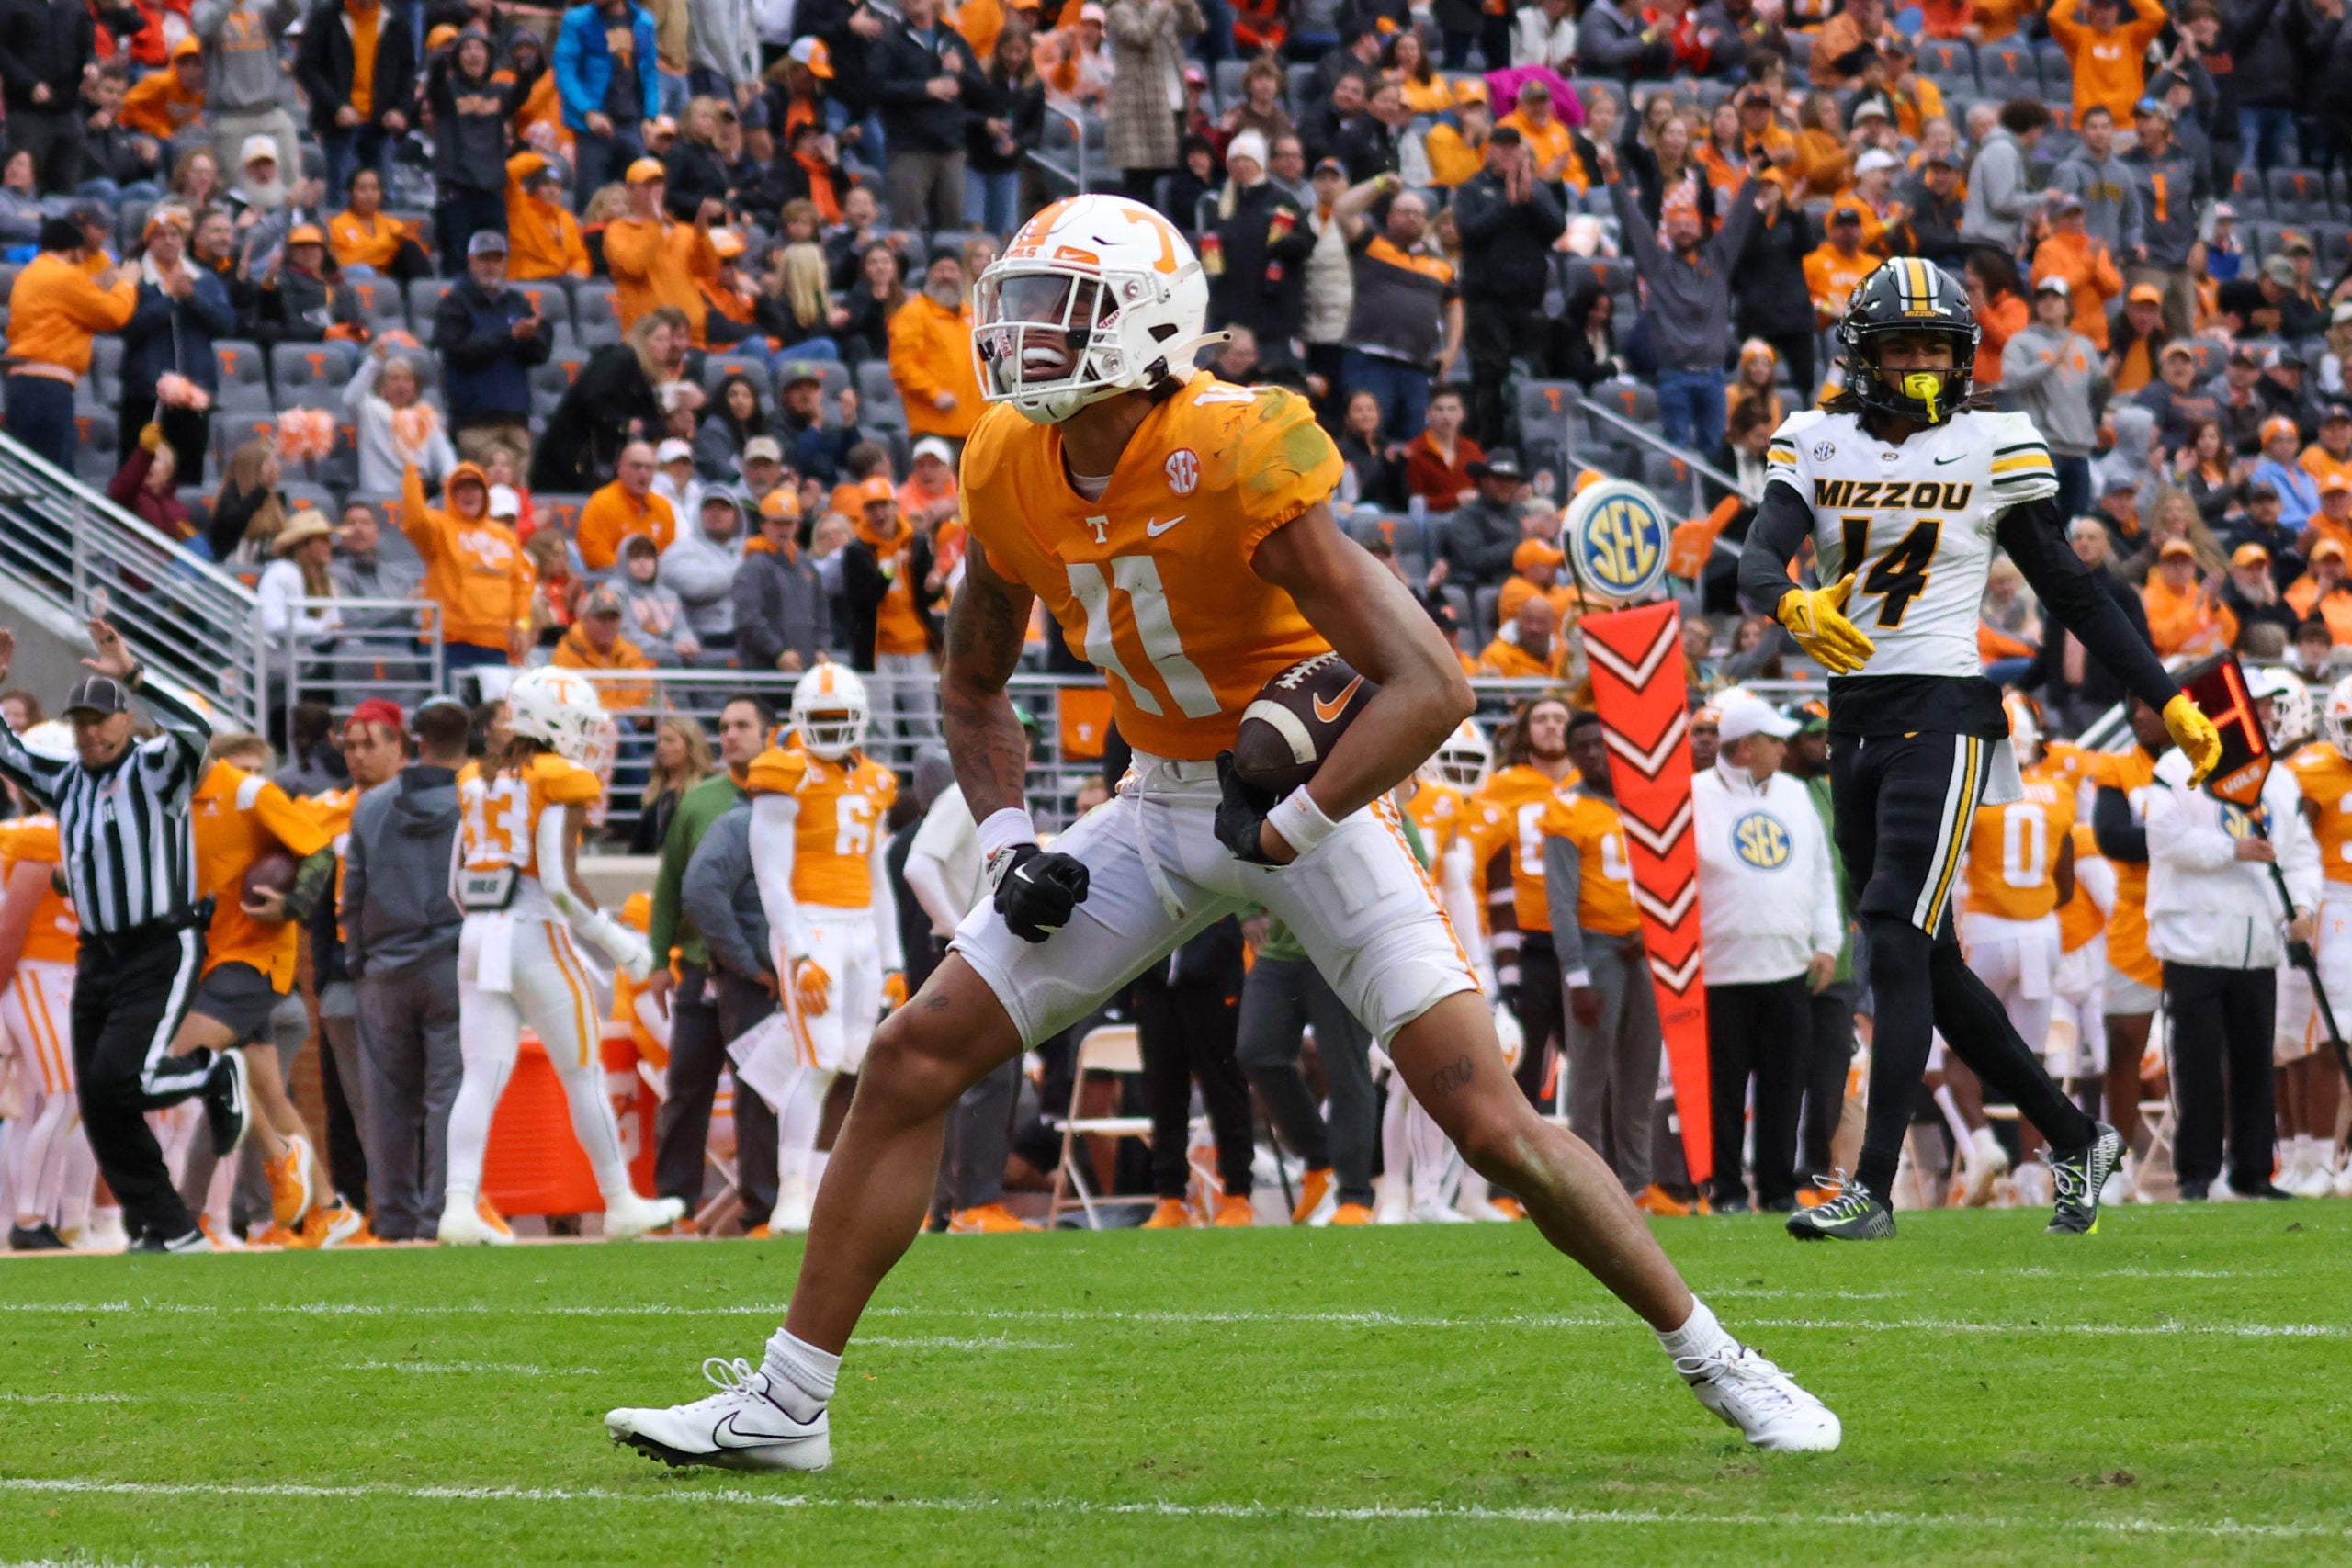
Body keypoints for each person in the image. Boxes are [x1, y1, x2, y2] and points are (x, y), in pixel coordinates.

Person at [607, 193, 1839, 1472]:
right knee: (913, 1054)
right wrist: (1014, 835)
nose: (1024, 334)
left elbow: (1431, 682)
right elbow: (973, 683)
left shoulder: (1238, 444)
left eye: (1060, 309)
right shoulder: (1005, 459)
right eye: (1018, 305)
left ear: (1143, 324)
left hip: (1311, 807)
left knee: (1490, 1119)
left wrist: (1295, 818)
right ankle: (788, 1403)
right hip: (1152, 802)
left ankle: (1720, 1355)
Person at [1740, 256, 2223, 1241]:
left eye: (1933, 346)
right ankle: (2076, 1137)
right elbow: (1759, 549)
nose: (1918, 364)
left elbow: (2071, 590)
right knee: (1928, 957)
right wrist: (1787, 598)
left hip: (1949, 709)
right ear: (1861, 355)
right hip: (1854, 718)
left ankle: (1871, 1189)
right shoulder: (1815, 435)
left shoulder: (1994, 441)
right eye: (1900, 346)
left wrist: (2161, 692)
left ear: (1961, 355)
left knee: (1888, 925)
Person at [0, 619, 250, 1253]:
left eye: (101, 720)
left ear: (124, 721)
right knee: (98, 1098)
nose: (90, 731)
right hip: (99, 952)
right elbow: (8, 753)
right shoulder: (67, 780)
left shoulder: (155, 768)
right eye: (80, 721)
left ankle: (212, 1072)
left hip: (160, 944)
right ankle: (170, 1226)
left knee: (118, 1078)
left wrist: (135, 675)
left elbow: (196, 731)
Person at [438, 668, 680, 1244]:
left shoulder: (475, 777)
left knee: (480, 1078)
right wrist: (622, 944)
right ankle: (620, 1203)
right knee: (584, 1074)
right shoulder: (557, 776)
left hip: (477, 936)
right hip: (536, 935)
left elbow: (455, 882)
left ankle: (457, 1206)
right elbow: (561, 884)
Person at [741, 664, 903, 1232]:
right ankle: (791, 1196)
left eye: (841, 719)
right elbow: (771, 880)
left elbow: (878, 877)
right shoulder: (785, 774)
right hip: (811, 928)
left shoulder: (876, 780)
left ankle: (826, 1190)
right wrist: (799, 953)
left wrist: (893, 961)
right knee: (817, 1062)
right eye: (821, 720)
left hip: (861, 930)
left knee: (856, 1061)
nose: (831, 730)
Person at [2147, 685, 2315, 1201]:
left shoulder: (2280, 780)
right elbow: (2164, 837)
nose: (2266, 716)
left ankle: (2254, 1170)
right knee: (2196, 1062)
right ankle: (2197, 1173)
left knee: (2254, 1063)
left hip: (2257, 939)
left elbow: (2301, 852)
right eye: (2258, 705)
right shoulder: (2177, 768)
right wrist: (2232, 849)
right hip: (2193, 939)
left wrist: (2304, 906)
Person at [1688, 690, 1837, 1213]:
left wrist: (1828, 943)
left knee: (1784, 1085)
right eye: (1775, 740)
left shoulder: (1795, 794)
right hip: (1718, 968)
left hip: (1788, 964)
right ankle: (1726, 1189)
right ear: (1746, 747)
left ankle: (1777, 1188)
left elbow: (1820, 871)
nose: (1785, 747)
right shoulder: (1694, 794)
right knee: (1724, 1090)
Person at [340, 696, 467, 1241]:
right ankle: (439, 1215)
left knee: (387, 1103)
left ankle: (392, 1220)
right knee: (449, 1097)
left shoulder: (371, 807)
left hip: (386, 968)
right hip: (454, 964)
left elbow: (353, 894)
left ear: (415, 739)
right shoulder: (473, 801)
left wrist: (359, 963)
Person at [1536, 709, 1657, 1199]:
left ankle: (1637, 1183)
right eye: (1581, 746)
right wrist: (1576, 975)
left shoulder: (1648, 806)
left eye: (1598, 743)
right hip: (1594, 947)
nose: (1592, 753)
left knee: (1641, 1071)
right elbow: (1561, 903)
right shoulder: (1566, 809)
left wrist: (1653, 934)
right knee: (1589, 1075)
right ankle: (1590, 1185)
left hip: (1645, 947)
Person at [1599, 140, 1759, 456]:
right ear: (1668, 232)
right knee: (1676, 452)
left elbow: (1740, 219)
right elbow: (1633, 223)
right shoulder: (1657, 265)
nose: (1684, 229)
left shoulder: (1719, 259)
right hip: (1674, 376)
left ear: (1701, 228)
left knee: (1715, 450)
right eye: (1677, 225)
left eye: (1690, 224)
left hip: (1714, 376)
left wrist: (1754, 176)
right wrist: (1613, 178)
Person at [0, 726, 89, 1250]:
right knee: (62, 1096)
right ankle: (31, 1219)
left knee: (38, 1105)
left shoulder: (57, 829)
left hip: (59, 975)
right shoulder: (40, 834)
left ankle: (25, 1215)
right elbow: (11, 927)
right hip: (38, 973)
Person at [1453, 128, 1566, 449]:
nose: (1507, 155)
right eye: (1500, 149)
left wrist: (1530, 200)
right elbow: (1470, 231)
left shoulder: (1538, 189)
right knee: (1491, 374)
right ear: (1488, 152)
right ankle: (1487, 448)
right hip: (1486, 301)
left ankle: (1524, 447)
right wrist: (1508, 202)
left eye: (1513, 149)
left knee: (1529, 373)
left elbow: (1556, 228)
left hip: (1528, 302)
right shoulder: (1472, 189)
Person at [1333, 174, 1462, 448]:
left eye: (1418, 214)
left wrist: (1451, 350)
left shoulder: (1440, 264)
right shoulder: (1371, 244)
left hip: (1416, 366)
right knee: (1368, 436)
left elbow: (1454, 306)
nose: (1411, 218)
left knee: (1413, 444)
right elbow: (1343, 209)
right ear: (1390, 217)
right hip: (1369, 358)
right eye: (1404, 211)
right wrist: (1378, 184)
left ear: (1427, 222)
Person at [5, 218, 138, 474]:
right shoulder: (65, 275)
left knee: (28, 475)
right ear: (74, 249)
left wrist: (101, 284)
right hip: (48, 388)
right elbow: (113, 315)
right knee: (52, 478)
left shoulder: (30, 274)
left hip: (23, 385)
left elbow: (73, 300)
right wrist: (127, 284)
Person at [119, 208, 232, 481]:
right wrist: (169, 297)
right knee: (139, 475)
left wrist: (192, 297)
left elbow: (226, 323)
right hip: (146, 394)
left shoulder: (203, 279)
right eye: (160, 235)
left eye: (175, 234)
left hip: (193, 395)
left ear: (184, 240)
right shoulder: (135, 278)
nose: (168, 241)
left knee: (189, 474)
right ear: (149, 241)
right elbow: (129, 326)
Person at [432, 231, 551, 468]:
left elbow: (540, 354)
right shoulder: (455, 303)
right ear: (471, 261)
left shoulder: (518, 302)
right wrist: (510, 336)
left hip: (516, 419)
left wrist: (532, 336)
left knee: (517, 495)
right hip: (474, 422)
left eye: (497, 259)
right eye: (484, 259)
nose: (490, 266)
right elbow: (458, 351)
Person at [400, 459, 530, 675]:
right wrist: (411, 471)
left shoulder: (505, 536)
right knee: (452, 708)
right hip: (449, 642)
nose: (468, 494)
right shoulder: (439, 527)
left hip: (495, 644)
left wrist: (522, 624)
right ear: (450, 493)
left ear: (485, 493)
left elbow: (521, 585)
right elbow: (414, 521)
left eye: (474, 488)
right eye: (461, 488)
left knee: (492, 708)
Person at [870, 0, 984, 230]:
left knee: (952, 229)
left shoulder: (953, 39)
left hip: (950, 148)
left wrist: (963, 73)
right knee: (906, 228)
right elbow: (875, 87)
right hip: (910, 148)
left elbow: (982, 92)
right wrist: (924, 89)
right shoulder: (892, 40)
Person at [2002, 276, 2105, 524]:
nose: (2049, 303)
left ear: (2068, 305)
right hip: (2044, 447)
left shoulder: (2084, 345)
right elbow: (2011, 380)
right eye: (2043, 297)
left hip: (2079, 447)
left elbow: (2094, 394)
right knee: (2042, 521)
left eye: (2056, 298)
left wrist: (2107, 382)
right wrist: (2050, 363)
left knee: (2077, 522)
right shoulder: (2021, 342)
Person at [293, 0, 415, 201]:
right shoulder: (327, 18)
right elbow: (307, 67)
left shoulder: (395, 19)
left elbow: (408, 70)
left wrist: (401, 109)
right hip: (340, 126)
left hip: (381, 125)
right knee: (341, 198)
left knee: (384, 198)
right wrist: (336, 106)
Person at [556, 0, 662, 210]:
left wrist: (650, 116)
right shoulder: (577, 20)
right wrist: (588, 112)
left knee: (638, 197)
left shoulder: (643, 21)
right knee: (591, 200)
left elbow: (650, 71)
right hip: (595, 127)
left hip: (633, 123)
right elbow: (564, 70)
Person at [889, 254, 983, 446]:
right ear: (929, 275)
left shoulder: (973, 316)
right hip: (933, 429)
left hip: (976, 431)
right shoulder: (913, 313)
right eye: (940, 270)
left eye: (952, 270)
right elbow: (903, 365)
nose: (946, 275)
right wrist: (935, 393)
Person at [735, 491, 830, 672]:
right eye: (776, 522)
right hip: (765, 670)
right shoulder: (753, 566)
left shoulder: (805, 564)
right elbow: (749, 619)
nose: (783, 529)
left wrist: (822, 648)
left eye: (789, 523)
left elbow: (822, 612)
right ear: (763, 524)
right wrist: (778, 652)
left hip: (806, 667)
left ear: (797, 525)